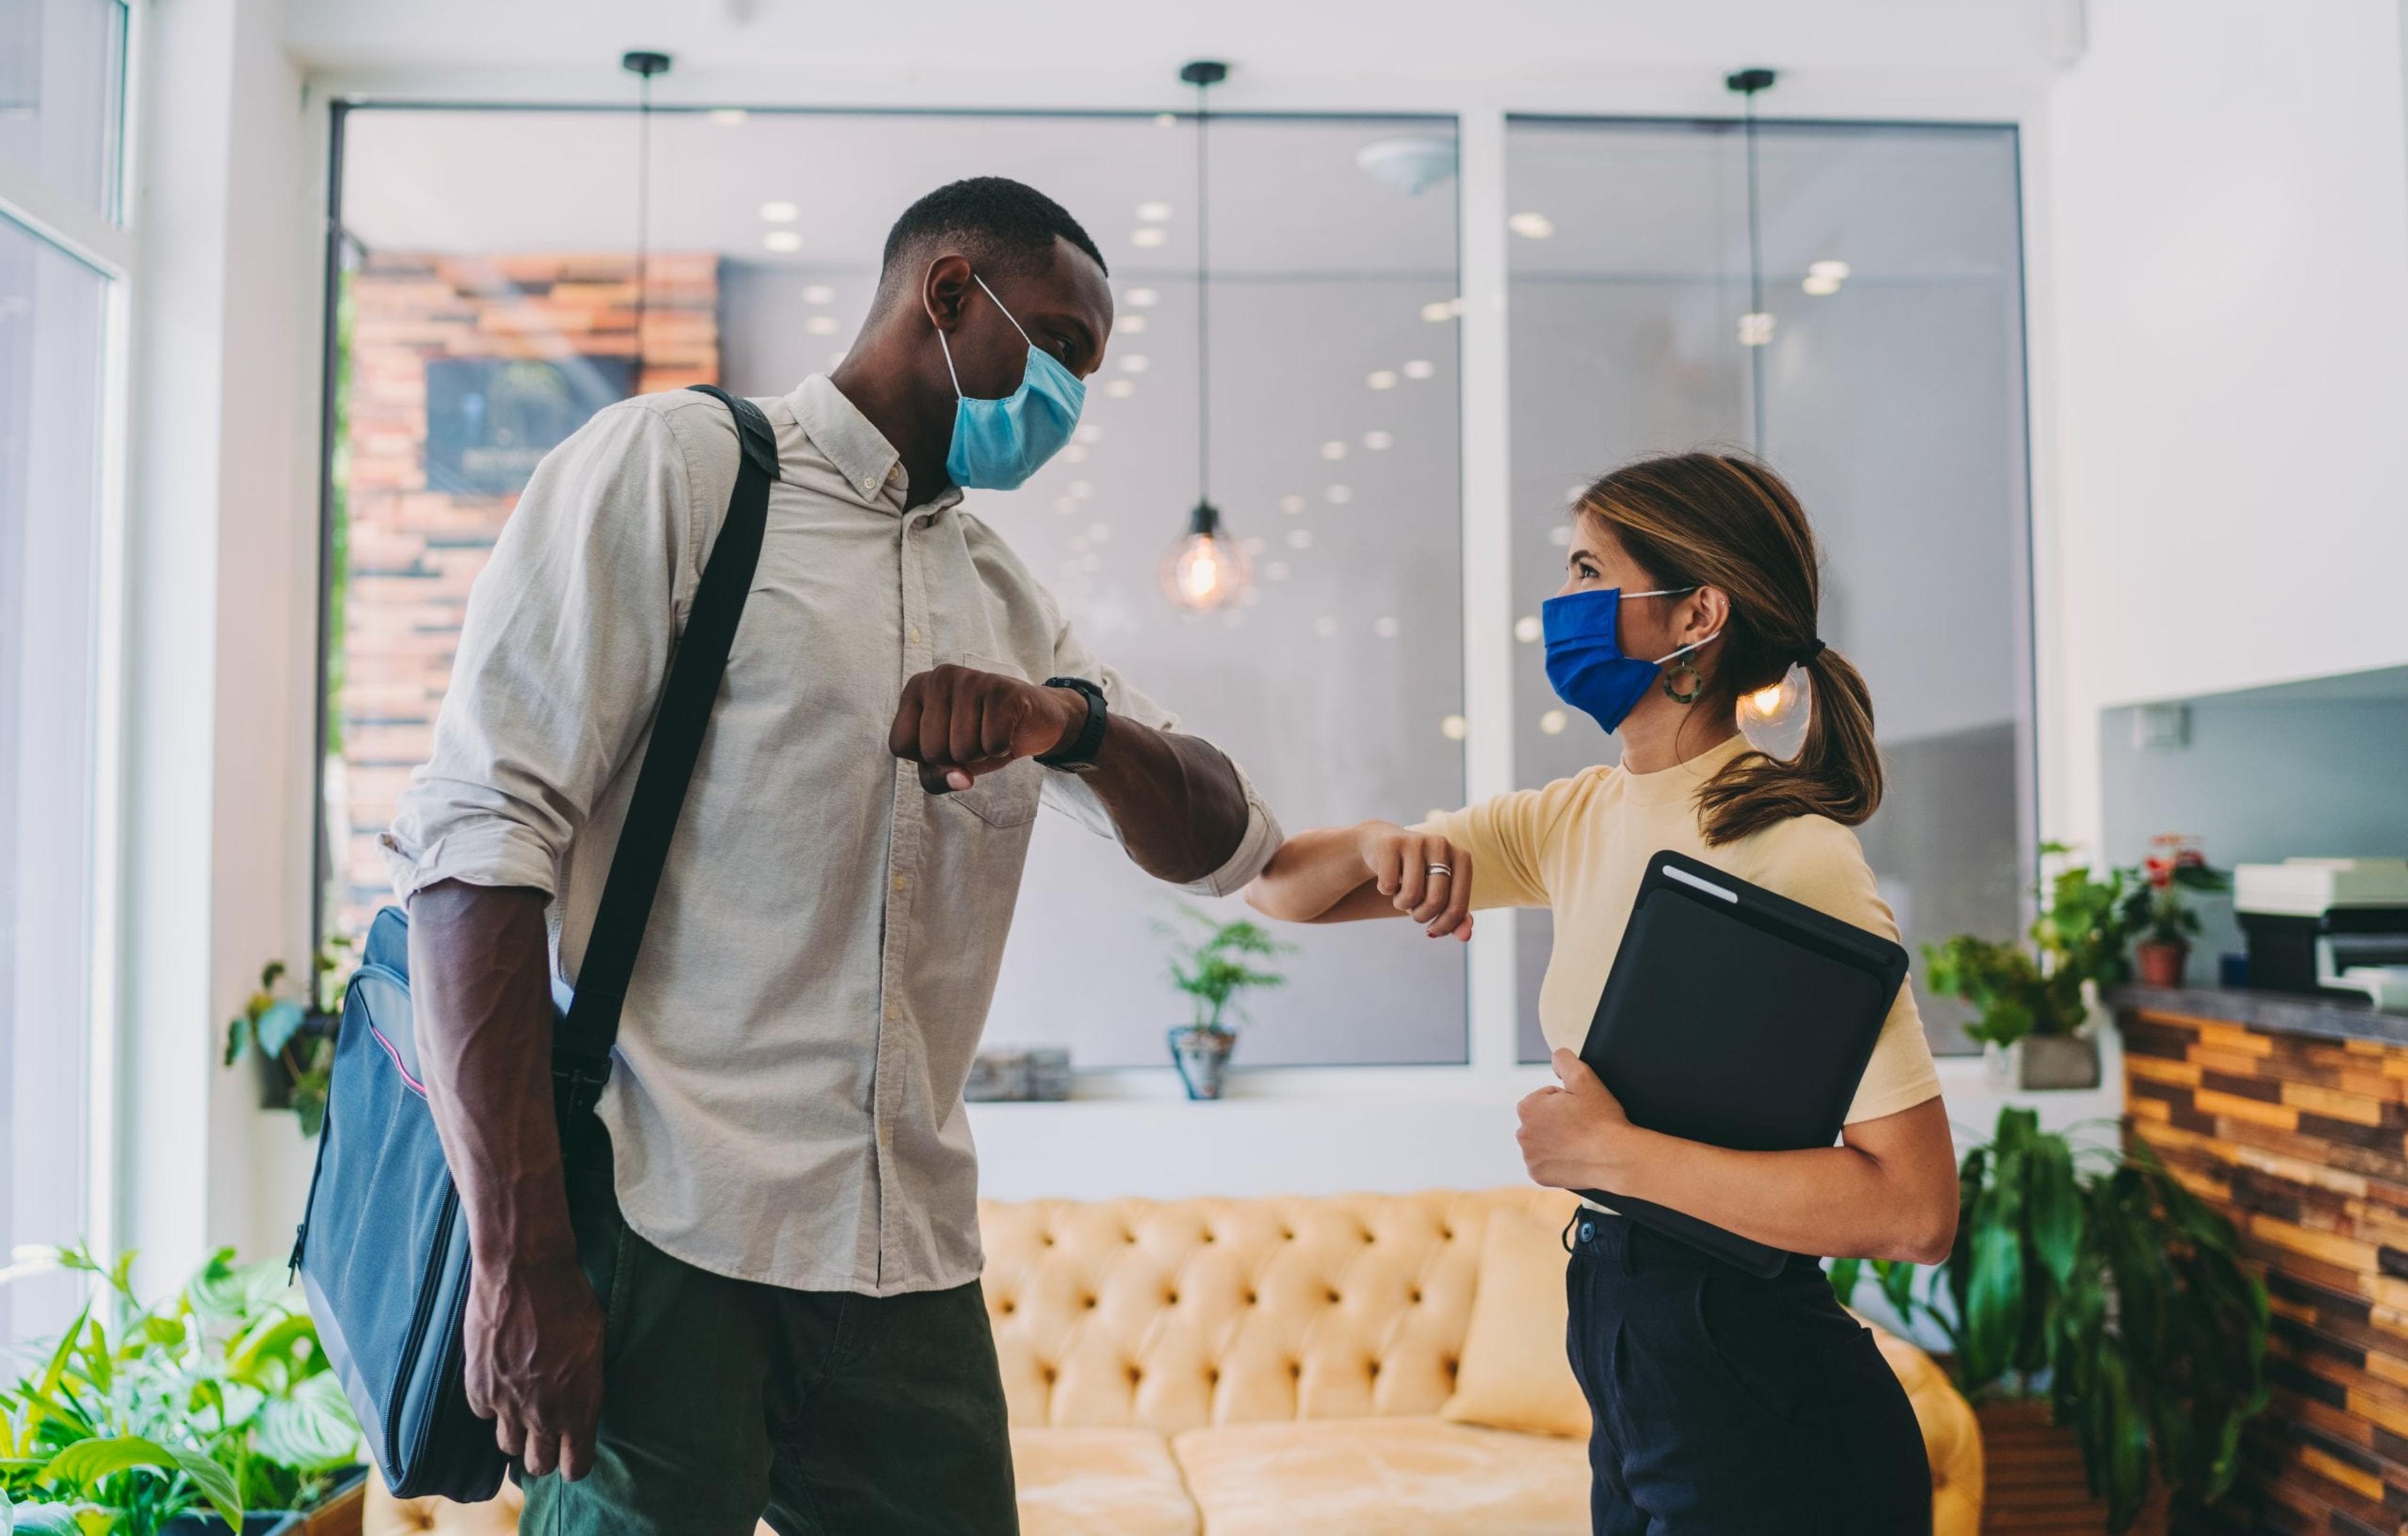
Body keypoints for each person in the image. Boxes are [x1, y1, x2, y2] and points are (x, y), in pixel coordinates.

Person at [383, 177, 1282, 1535]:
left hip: (904, 1263)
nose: (1071, 399)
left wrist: (1068, 721)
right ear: (948, 293)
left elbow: (1224, 840)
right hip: (666, 1229)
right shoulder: (684, 469)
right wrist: (519, 1258)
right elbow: (473, 852)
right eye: (1060, 346)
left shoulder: (998, 589)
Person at [1245, 452, 1956, 1533]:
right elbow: (1283, 891)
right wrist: (1380, 840)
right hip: (1633, 1358)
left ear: (1694, 616)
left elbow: (1915, 1210)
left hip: (1758, 1392)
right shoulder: (1577, 817)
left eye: (1589, 572)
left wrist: (1610, 1157)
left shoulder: (1787, 847)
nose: (1561, 608)